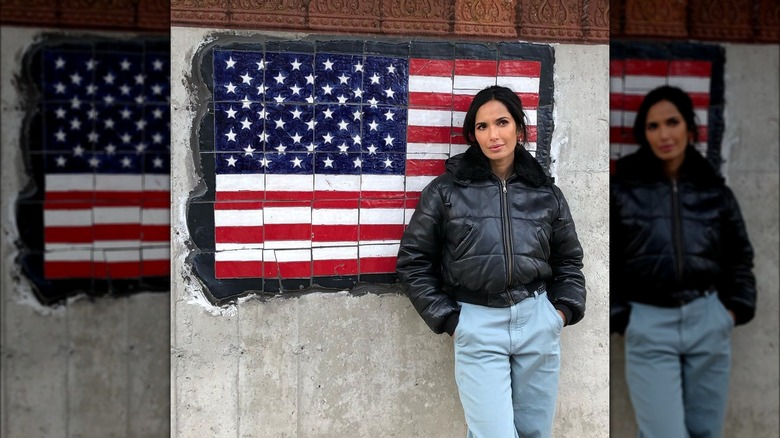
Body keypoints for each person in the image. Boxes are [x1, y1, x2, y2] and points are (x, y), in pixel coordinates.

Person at [396, 85, 586, 438]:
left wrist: (561, 314)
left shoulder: (546, 193)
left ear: (519, 128)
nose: (493, 135)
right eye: (482, 127)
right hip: (477, 324)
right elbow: (413, 262)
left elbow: (569, 260)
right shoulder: (445, 191)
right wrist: (452, 321)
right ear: (473, 135)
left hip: (538, 320)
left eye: (501, 122)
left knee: (535, 434)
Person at [610, 85, 756, 438]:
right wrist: (624, 319)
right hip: (648, 323)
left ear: (690, 129)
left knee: (706, 432)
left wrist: (732, 310)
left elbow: (740, 256)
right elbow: (607, 260)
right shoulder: (624, 190)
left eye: (672, 122)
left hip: (707, 318)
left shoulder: (715, 192)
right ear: (644, 133)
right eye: (653, 126)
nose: (664, 134)